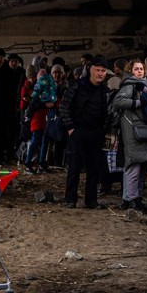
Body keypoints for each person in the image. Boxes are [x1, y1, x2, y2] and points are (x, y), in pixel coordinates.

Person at [111, 60, 147, 213]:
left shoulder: (145, 86)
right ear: (131, 71)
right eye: (136, 69)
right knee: (134, 166)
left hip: (145, 131)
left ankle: (134, 198)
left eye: (141, 69)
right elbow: (118, 102)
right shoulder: (129, 85)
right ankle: (132, 199)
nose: (139, 71)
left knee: (142, 166)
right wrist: (138, 103)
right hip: (134, 132)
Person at [62, 57, 110, 210]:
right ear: (90, 69)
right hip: (78, 130)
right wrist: (70, 128)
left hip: (96, 132)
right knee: (75, 166)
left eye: (103, 71)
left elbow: (106, 112)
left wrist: (103, 130)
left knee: (94, 168)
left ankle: (91, 200)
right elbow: (64, 107)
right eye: (97, 70)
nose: (100, 74)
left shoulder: (104, 90)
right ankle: (70, 199)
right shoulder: (76, 86)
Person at [24, 68, 57, 173]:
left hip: (44, 117)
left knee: (44, 141)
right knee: (36, 141)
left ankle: (41, 162)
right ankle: (28, 163)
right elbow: (33, 104)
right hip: (38, 118)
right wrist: (46, 104)